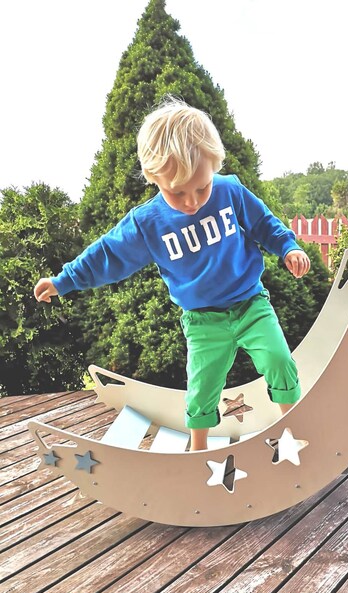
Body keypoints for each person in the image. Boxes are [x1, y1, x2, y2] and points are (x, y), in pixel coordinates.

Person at [34, 96, 311, 451]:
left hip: (251, 305)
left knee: (279, 360)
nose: (192, 201)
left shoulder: (229, 191)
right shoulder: (147, 223)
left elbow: (264, 223)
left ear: (214, 166)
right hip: (202, 321)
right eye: (177, 192)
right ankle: (199, 450)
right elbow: (107, 254)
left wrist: (288, 247)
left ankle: (295, 428)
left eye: (202, 187)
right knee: (202, 387)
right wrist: (63, 281)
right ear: (154, 178)